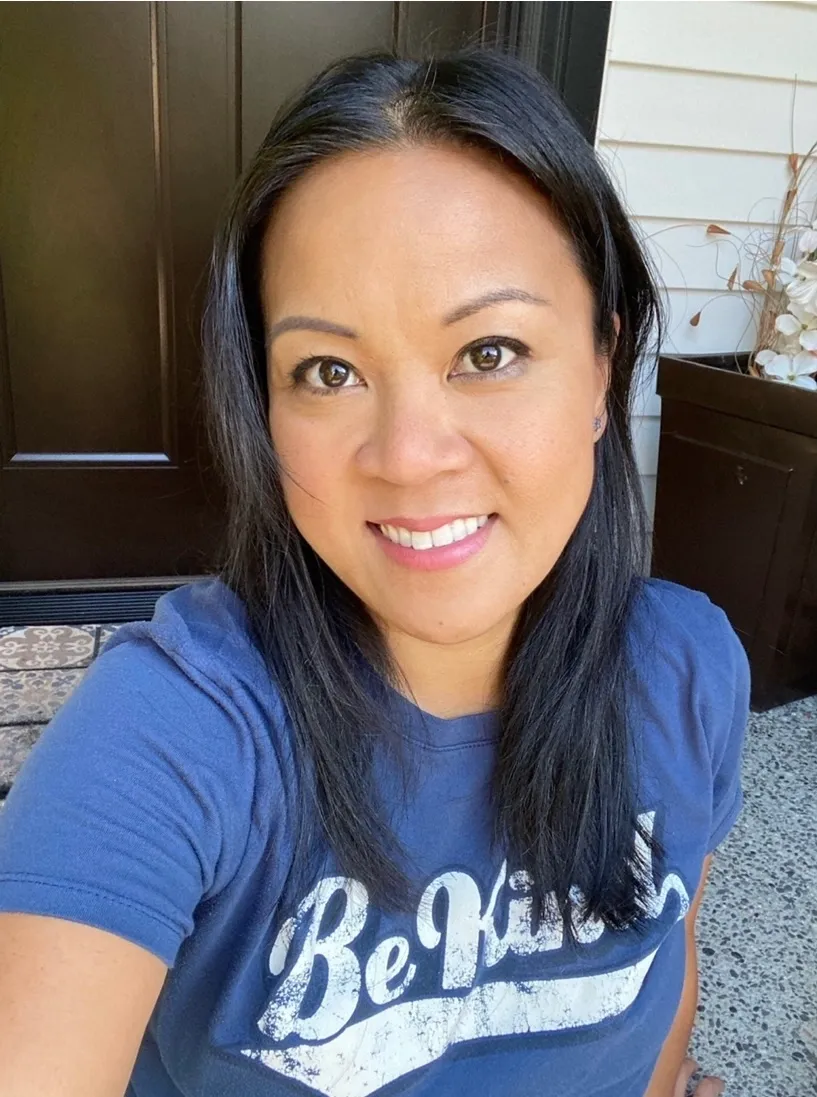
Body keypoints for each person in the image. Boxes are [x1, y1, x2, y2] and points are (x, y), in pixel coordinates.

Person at [0, 46, 749, 1097]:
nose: (407, 455)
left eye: (487, 352)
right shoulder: (172, 731)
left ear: (600, 370)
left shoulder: (690, 671)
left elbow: (665, 972)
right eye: (329, 370)